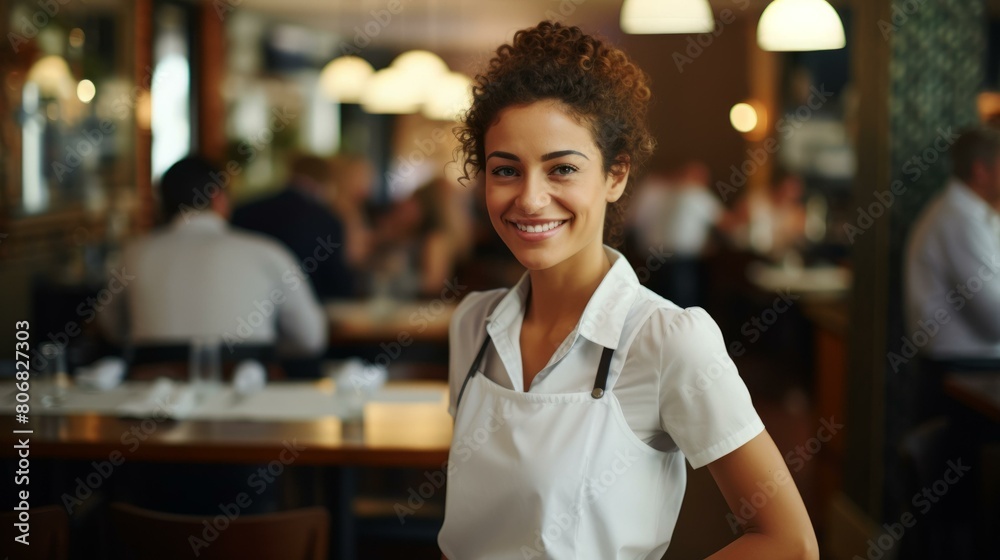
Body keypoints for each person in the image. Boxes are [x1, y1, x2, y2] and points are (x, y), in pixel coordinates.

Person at [438, 21, 817, 559]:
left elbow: (789, 543)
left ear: (615, 175)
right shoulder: (472, 325)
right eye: (506, 170)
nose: (530, 198)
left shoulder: (667, 340)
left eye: (562, 168)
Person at [102, 156, 327, 358]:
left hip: (152, 396)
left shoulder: (133, 255)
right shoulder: (268, 252)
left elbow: (111, 328)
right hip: (247, 396)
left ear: (162, 204)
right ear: (219, 197)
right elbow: (311, 339)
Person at [906, 127, 1000, 361]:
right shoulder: (959, 220)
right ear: (980, 171)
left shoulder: (970, 213)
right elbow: (995, 319)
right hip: (960, 371)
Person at [232, 153, 354, 299]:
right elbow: (337, 282)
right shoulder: (328, 221)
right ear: (324, 182)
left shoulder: (244, 211)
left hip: (250, 305)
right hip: (309, 309)